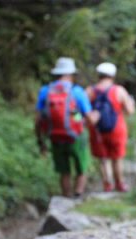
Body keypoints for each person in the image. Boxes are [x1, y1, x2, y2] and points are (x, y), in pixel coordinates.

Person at [35, 57, 96, 198]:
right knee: (82, 168)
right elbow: (89, 118)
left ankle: (66, 197)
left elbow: (38, 119)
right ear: (70, 74)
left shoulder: (45, 91)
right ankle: (78, 195)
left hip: (55, 137)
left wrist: (41, 141)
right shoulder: (77, 92)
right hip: (76, 137)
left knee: (64, 171)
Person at [87, 62, 136, 192]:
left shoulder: (90, 91)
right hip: (117, 129)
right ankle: (120, 184)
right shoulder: (119, 90)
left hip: (97, 130)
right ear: (112, 75)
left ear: (99, 75)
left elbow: (84, 111)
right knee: (117, 158)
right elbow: (130, 111)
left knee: (103, 159)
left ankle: (107, 184)